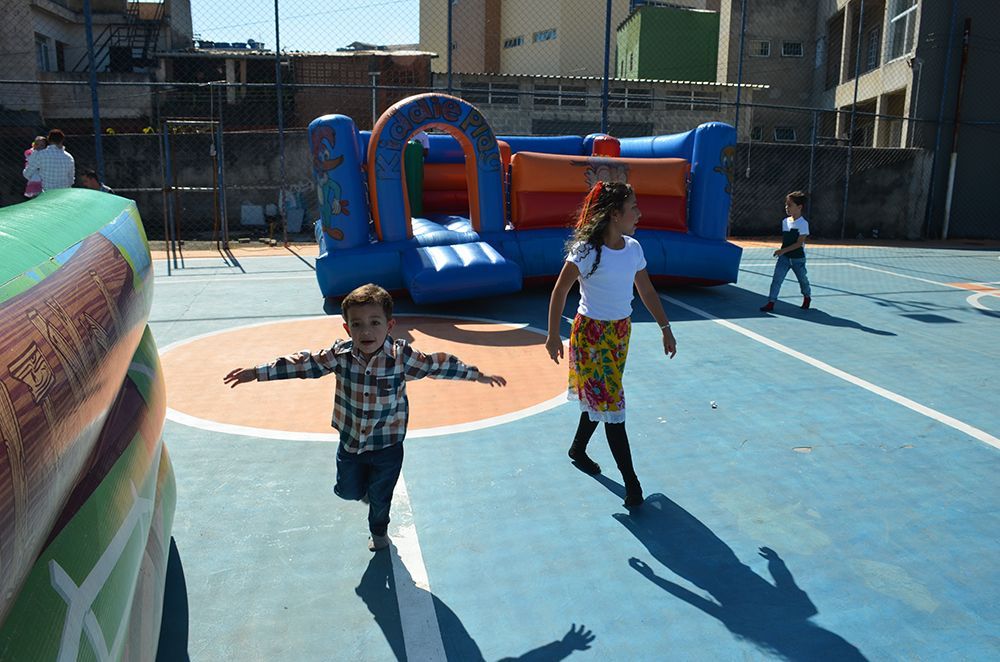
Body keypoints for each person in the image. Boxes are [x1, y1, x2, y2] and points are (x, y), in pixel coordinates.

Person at [223, 283, 506, 552]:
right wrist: (257, 372)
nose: (366, 330)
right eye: (357, 324)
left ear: (389, 326)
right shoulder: (340, 356)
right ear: (347, 328)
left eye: (374, 322)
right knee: (348, 491)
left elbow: (437, 365)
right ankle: (363, 492)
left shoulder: (401, 357)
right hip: (351, 442)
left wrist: (476, 375)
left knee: (381, 498)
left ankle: (379, 532)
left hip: (387, 445)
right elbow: (304, 363)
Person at [545, 181, 677, 509]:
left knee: (601, 397)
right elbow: (560, 290)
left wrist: (665, 327)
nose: (639, 213)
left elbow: (646, 291)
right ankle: (632, 483)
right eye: (633, 207)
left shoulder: (633, 249)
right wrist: (552, 334)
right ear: (615, 214)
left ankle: (578, 448)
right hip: (591, 336)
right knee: (612, 405)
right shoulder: (587, 251)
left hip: (619, 334)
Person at [759, 190, 812, 312]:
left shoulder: (803, 224)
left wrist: (782, 251)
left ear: (799, 207)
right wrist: (783, 252)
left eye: (790, 205)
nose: (786, 207)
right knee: (776, 280)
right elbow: (787, 240)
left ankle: (807, 296)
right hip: (784, 259)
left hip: (798, 259)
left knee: (803, 280)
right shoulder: (785, 222)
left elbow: (799, 243)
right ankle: (771, 302)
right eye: (786, 205)